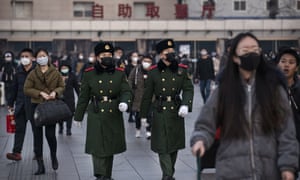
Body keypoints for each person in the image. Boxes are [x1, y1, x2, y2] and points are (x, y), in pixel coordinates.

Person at [190, 32, 299, 180]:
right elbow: (205, 123)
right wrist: (200, 140)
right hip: (231, 170)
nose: (251, 55)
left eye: (255, 50)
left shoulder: (273, 89)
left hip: (267, 171)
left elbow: (286, 131)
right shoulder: (224, 89)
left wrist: (288, 166)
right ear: (235, 57)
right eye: (245, 51)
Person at [73, 41, 132, 180]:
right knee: (98, 144)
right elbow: (83, 96)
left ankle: (107, 175)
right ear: (97, 57)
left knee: (110, 145)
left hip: (113, 111)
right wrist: (78, 116)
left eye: (109, 54)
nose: (107, 57)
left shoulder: (119, 73)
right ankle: (100, 174)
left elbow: (127, 91)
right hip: (96, 111)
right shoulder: (89, 74)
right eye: (104, 54)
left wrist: (124, 102)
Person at [140, 39, 194, 180]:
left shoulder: (181, 70)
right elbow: (147, 95)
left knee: (174, 144)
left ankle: (168, 172)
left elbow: (188, 88)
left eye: (172, 51)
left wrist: (185, 104)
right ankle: (168, 175)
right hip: (160, 110)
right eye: (167, 52)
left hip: (176, 110)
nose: (171, 54)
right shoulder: (153, 72)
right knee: (162, 144)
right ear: (161, 55)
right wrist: (143, 115)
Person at [24, 48, 65, 175]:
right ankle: (40, 165)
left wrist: (55, 92)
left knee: (51, 135)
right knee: (37, 137)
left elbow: (62, 86)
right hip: (36, 107)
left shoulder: (55, 72)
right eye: (40, 56)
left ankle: (53, 156)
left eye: (44, 55)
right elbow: (26, 89)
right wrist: (40, 93)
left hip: (50, 107)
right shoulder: (32, 73)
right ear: (36, 58)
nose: (42, 58)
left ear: (48, 57)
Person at [6, 48, 36, 161]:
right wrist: (10, 103)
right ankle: (16, 153)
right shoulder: (18, 72)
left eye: (27, 56)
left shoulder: (37, 71)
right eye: (22, 56)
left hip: (34, 105)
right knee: (19, 130)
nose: (24, 58)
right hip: (20, 105)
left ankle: (38, 153)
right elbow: (14, 88)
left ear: (32, 58)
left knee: (36, 131)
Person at [276, 47, 300, 171]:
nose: (286, 65)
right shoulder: (270, 89)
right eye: (283, 61)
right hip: (277, 143)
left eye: (291, 63)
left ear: (296, 67)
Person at [128, 54, 153, 139]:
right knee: (138, 115)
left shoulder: (153, 71)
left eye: (149, 62)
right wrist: (131, 91)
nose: (147, 63)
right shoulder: (136, 69)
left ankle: (148, 131)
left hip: (149, 97)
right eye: (145, 61)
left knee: (149, 115)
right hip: (137, 96)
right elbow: (130, 80)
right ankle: (138, 129)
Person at [58, 61, 80, 136]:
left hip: (69, 98)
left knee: (70, 114)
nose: (64, 69)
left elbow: (76, 87)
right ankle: (61, 127)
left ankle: (68, 129)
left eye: (66, 68)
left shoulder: (72, 75)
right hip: (60, 98)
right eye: (63, 68)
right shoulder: (57, 75)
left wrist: (80, 96)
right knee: (60, 114)